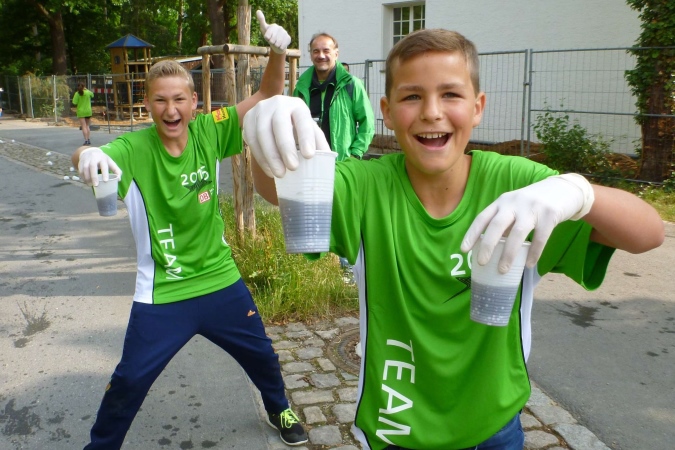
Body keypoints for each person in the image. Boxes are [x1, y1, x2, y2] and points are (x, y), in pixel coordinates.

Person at [242, 29, 665, 450]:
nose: (431, 112)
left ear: (478, 107)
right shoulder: (367, 186)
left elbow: (648, 234)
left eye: (450, 94)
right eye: (412, 96)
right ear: (386, 112)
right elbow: (276, 189)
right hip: (397, 425)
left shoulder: (518, 185)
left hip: (495, 424)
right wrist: (266, 131)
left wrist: (578, 192)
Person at [71, 11, 308, 449]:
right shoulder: (134, 148)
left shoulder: (209, 131)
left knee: (262, 354)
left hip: (220, 280)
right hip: (164, 292)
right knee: (130, 379)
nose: (171, 109)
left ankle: (279, 408)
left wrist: (277, 53)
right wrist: (86, 155)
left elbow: (267, 96)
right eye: (160, 100)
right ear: (148, 105)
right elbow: (97, 155)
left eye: (179, 99)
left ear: (195, 102)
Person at [293, 32, 374, 161]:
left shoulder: (352, 85)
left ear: (336, 54)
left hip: (342, 163)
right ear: (311, 55)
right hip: (309, 162)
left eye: (326, 51)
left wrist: (355, 154)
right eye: (316, 51)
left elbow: (367, 123)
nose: (321, 56)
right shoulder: (301, 88)